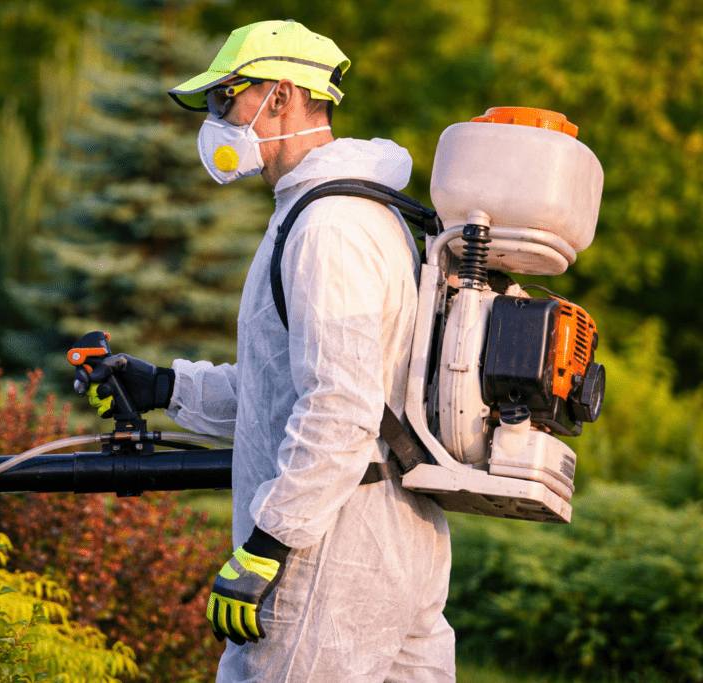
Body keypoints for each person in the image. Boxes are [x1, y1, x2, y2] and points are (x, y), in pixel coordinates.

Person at [75, 19, 455, 683]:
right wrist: (165, 386)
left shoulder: (329, 225)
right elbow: (291, 387)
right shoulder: (347, 210)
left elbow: (339, 406)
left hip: (331, 551)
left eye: (228, 99)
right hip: (392, 536)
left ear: (280, 96)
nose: (216, 119)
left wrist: (267, 544)